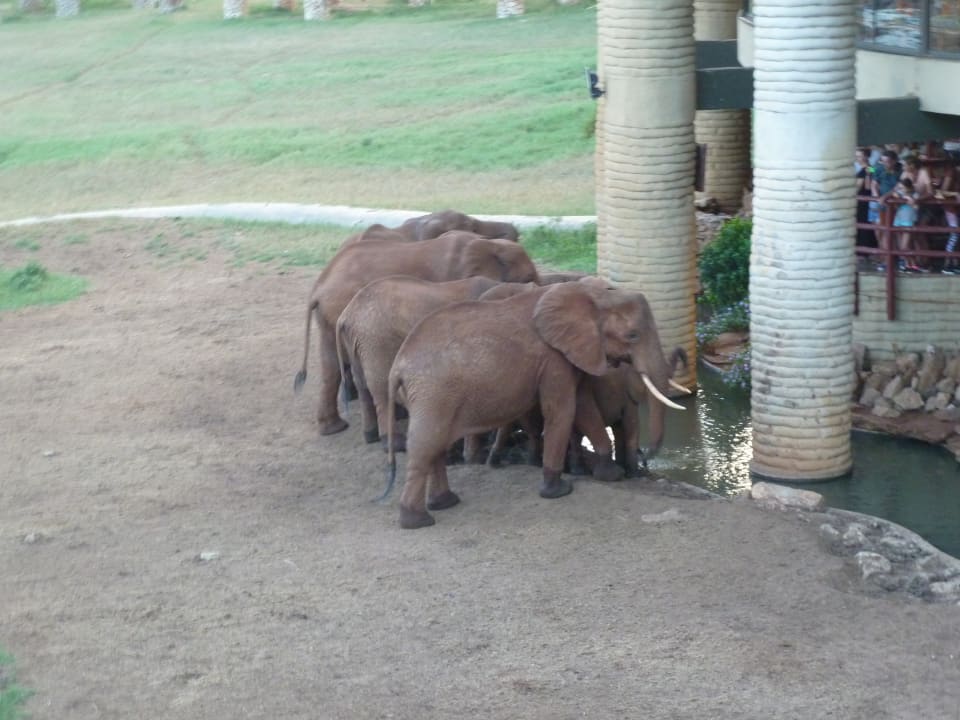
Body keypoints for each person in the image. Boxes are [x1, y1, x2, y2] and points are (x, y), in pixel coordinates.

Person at [871, 149, 902, 267]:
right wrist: (875, 195)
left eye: (887, 162)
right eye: (883, 161)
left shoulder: (901, 170)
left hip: (896, 204)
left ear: (894, 161)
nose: (885, 164)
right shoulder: (878, 168)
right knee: (883, 230)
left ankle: (893, 258)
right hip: (882, 205)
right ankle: (885, 258)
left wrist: (884, 196)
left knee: (895, 231)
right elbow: (873, 178)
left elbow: (900, 186)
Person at [892, 178, 924, 272]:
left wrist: (908, 198)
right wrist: (900, 194)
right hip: (898, 220)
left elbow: (916, 206)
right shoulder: (900, 194)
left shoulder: (915, 195)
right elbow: (895, 196)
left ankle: (913, 264)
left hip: (908, 221)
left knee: (904, 246)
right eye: (899, 187)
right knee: (902, 245)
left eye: (902, 188)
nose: (900, 189)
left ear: (908, 188)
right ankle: (907, 264)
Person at [856, 148, 876, 248]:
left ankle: (864, 247)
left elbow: (859, 187)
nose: (857, 158)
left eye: (859, 156)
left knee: (862, 221)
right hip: (867, 198)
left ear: (866, 156)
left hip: (863, 199)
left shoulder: (866, 169)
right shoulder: (870, 168)